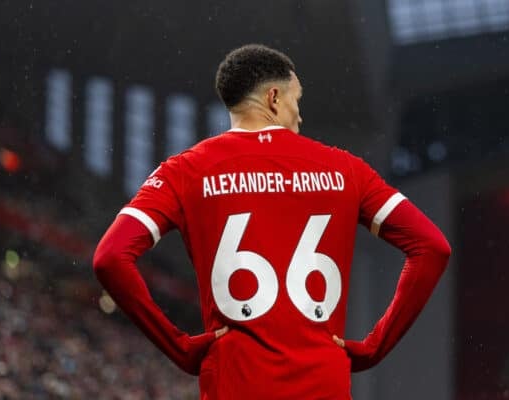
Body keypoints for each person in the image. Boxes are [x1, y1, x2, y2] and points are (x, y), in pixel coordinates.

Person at [93, 44, 451, 399]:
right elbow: (431, 247)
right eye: (298, 100)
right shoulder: (346, 169)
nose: (300, 115)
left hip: (235, 385)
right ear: (275, 98)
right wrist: (375, 347)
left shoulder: (185, 171)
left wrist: (179, 347)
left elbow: (110, 257)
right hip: (322, 386)